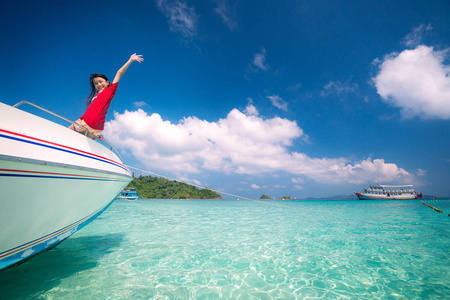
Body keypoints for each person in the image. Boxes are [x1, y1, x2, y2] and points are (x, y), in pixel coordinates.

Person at [69, 53, 144, 140]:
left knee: (69, 130)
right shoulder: (95, 96)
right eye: (96, 83)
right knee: (77, 139)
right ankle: (97, 137)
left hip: (90, 125)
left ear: (107, 82)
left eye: (100, 81)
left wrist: (130, 60)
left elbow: (119, 73)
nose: (98, 84)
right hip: (93, 127)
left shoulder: (109, 91)